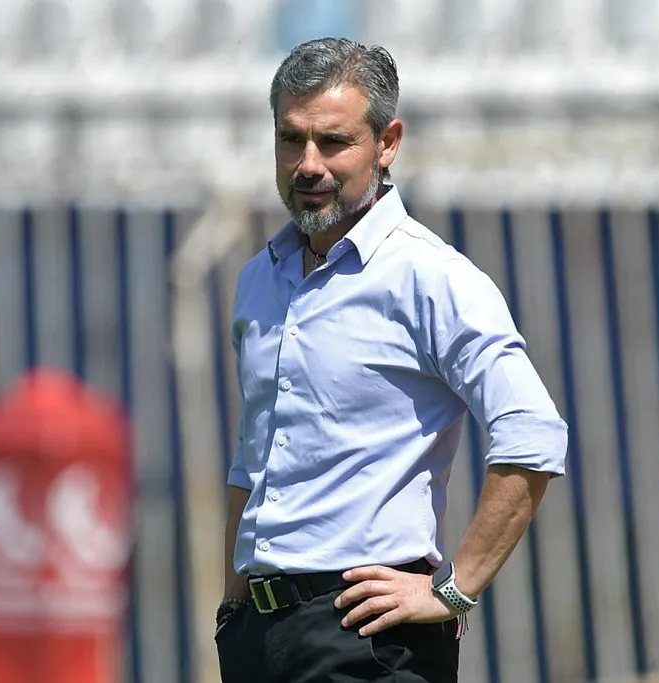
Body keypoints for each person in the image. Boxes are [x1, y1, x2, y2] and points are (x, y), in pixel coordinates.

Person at [214, 37, 568, 683]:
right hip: (257, 639)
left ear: (387, 143)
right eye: (291, 139)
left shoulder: (431, 277)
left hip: (369, 634)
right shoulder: (258, 279)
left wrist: (453, 589)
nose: (308, 164)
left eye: (334, 142)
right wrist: (234, 604)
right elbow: (253, 454)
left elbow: (533, 432)